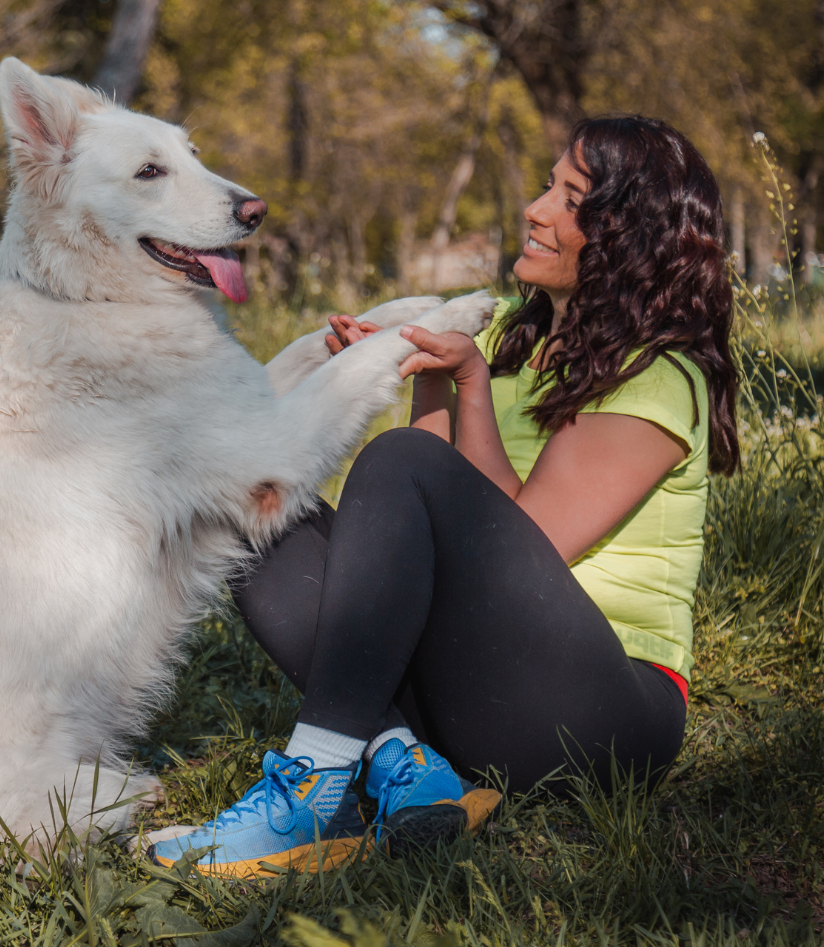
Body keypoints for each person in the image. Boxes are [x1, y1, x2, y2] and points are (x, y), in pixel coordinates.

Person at [149, 115, 740, 877]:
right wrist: (417, 363)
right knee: (253, 504)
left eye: (571, 198)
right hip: (481, 689)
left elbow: (524, 539)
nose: (536, 208)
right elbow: (428, 522)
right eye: (547, 185)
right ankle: (405, 765)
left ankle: (315, 784)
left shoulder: (660, 375)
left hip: (605, 714)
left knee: (397, 461)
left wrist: (466, 384)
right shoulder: (511, 345)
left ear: (629, 234)